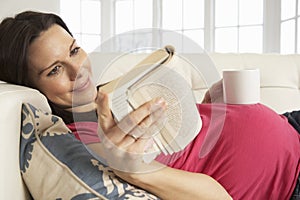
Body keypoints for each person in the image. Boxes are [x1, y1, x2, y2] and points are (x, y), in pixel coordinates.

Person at [0, 11, 298, 200]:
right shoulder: (83, 143)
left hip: (292, 124)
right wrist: (131, 169)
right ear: (29, 85)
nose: (79, 72)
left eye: (75, 50)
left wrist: (208, 109)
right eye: (54, 70)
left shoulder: (109, 94)